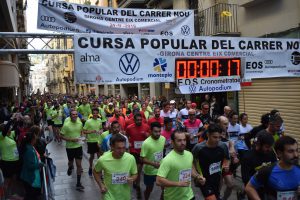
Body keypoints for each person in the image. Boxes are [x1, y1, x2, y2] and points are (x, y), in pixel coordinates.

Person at [156, 131, 205, 200]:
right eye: (179, 140)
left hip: (189, 196)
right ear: (172, 142)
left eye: (184, 140)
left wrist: (198, 177)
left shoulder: (189, 154)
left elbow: (191, 169)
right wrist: (178, 184)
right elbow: (158, 181)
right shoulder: (167, 160)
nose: (183, 143)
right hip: (172, 197)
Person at [93, 134, 138, 200]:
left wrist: (132, 179)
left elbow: (135, 174)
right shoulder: (103, 159)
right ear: (112, 147)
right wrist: (101, 185)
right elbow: (95, 172)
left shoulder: (130, 158)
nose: (122, 151)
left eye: (123, 148)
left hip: (125, 196)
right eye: (118, 148)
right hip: (109, 195)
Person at [192, 123, 230, 200]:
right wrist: (197, 176)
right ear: (208, 134)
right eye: (215, 137)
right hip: (204, 180)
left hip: (217, 179)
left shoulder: (223, 146)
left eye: (219, 137)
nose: (217, 140)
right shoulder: (198, 147)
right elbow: (190, 162)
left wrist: (226, 165)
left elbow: (227, 158)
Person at [240, 132, 277, 199]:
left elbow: (275, 168)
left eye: (271, 146)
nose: (270, 149)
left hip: (269, 189)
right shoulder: (248, 157)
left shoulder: (271, 153)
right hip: (254, 189)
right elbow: (245, 178)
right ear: (258, 145)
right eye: (267, 147)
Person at [125, 113, 150, 197]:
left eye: (140, 120)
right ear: (134, 120)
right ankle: (137, 183)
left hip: (143, 151)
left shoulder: (146, 127)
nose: (139, 121)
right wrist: (129, 143)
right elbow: (126, 136)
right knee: (137, 168)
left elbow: (150, 137)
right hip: (134, 151)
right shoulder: (129, 127)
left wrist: (147, 135)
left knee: (139, 168)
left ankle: (136, 182)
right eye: (137, 120)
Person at [60, 109, 84, 190]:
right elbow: (61, 136)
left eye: (76, 114)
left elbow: (81, 131)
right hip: (70, 147)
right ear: (70, 116)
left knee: (79, 165)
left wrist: (82, 138)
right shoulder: (66, 125)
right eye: (73, 114)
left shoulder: (80, 123)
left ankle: (78, 183)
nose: (75, 116)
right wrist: (71, 140)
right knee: (70, 162)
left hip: (78, 147)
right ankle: (70, 167)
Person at [140, 122, 165, 200]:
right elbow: (142, 158)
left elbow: (162, 151)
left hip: (161, 169)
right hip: (149, 171)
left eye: (159, 131)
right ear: (150, 131)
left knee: (164, 189)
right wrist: (153, 163)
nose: (158, 133)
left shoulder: (163, 139)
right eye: (155, 131)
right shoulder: (146, 143)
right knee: (149, 189)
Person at [20, 131, 42, 200]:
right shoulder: (29, 150)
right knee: (30, 196)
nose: (36, 139)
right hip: (29, 178)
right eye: (35, 138)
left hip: (28, 177)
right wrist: (40, 165)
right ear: (32, 140)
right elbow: (30, 166)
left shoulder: (29, 147)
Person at [83, 108, 102, 177]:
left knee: (99, 156)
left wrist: (101, 131)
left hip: (98, 141)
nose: (95, 114)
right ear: (92, 113)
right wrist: (91, 131)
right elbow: (84, 131)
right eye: (94, 113)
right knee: (92, 156)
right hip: (91, 141)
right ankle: (90, 168)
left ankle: (99, 170)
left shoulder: (99, 120)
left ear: (98, 113)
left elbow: (100, 128)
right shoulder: (88, 121)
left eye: (96, 113)